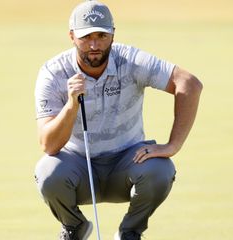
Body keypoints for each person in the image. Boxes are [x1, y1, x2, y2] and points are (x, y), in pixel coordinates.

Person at [33, 1, 203, 239]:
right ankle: (74, 227)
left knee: (161, 169)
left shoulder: (130, 60)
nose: (94, 45)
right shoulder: (53, 72)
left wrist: (172, 146)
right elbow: (49, 145)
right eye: (86, 37)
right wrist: (72, 104)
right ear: (72, 36)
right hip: (78, 166)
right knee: (48, 172)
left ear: (113, 34)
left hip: (127, 161)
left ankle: (130, 232)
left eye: (102, 36)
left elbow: (189, 84)